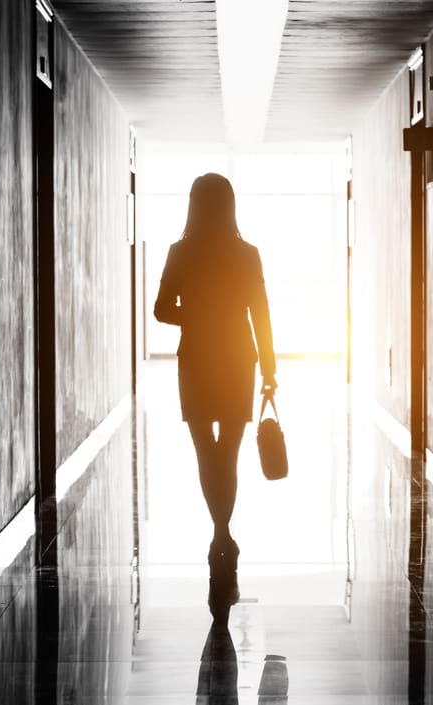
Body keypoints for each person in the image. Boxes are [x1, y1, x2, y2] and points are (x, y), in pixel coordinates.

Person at [153, 172, 276, 575]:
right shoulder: (248, 253)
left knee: (206, 450)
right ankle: (223, 530)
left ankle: (220, 531)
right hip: (239, 359)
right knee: (229, 452)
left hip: (197, 360)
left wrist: (197, 315)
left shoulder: (179, 252)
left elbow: (161, 309)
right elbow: (261, 313)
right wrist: (270, 369)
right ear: (230, 206)